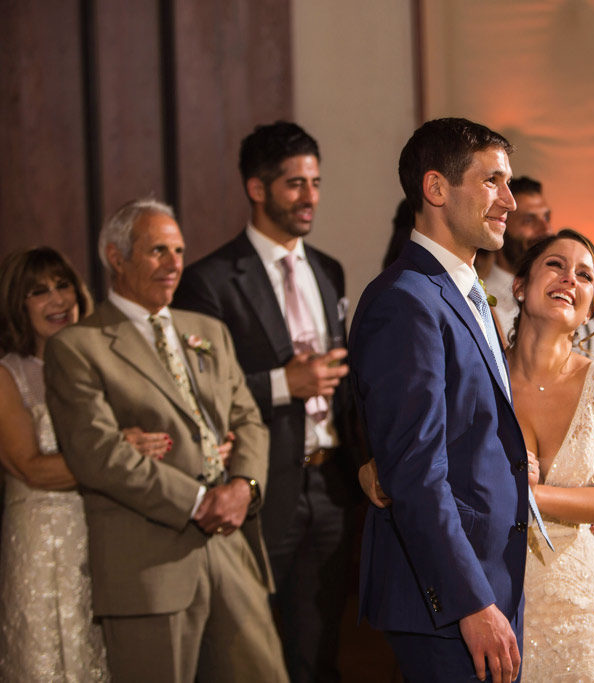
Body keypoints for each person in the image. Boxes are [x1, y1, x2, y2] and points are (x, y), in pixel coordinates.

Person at [44, 199, 288, 682]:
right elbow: (98, 454)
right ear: (117, 257)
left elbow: (250, 422)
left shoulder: (209, 332)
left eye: (179, 250)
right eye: (158, 251)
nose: (175, 264)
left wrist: (244, 487)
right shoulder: (78, 347)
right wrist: (199, 501)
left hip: (231, 548)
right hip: (148, 562)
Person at [174, 121, 363, 683]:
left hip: (331, 485)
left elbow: (343, 376)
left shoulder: (328, 269)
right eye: (295, 185)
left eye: (316, 182)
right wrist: (285, 384)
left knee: (321, 646)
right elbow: (198, 394)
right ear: (257, 189)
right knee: (249, 650)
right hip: (260, 486)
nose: (311, 198)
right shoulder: (209, 281)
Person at [349, 117, 529, 683]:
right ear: (436, 189)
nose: (511, 201)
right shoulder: (407, 301)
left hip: (489, 578)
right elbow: (417, 471)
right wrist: (469, 602)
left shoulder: (466, 293)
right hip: (450, 599)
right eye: (493, 181)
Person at [0, 247, 172, 680]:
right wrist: (116, 451)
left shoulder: (107, 359)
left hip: (112, 532)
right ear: (17, 305)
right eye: (39, 292)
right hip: (45, 543)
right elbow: (31, 468)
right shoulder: (10, 374)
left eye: (63, 285)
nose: (58, 300)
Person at [504, 229, 594, 682]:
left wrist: (527, 495)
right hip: (495, 603)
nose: (570, 279)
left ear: (590, 309)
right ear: (519, 285)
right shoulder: (483, 378)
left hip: (581, 612)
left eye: (585, 275)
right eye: (556, 265)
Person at [482, 176, 554, 338]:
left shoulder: (566, 292)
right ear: (500, 228)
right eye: (529, 220)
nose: (546, 230)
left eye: (547, 218)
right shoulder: (483, 303)